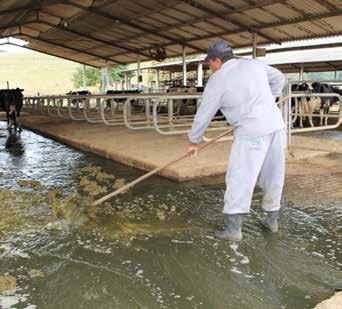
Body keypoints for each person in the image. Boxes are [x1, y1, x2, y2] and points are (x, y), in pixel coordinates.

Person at [187, 40, 286, 241]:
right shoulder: (254, 64)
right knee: (274, 175)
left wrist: (194, 141)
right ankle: (272, 222)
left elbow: (204, 113)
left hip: (251, 133)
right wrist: (270, 100)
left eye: (209, 63)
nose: (209, 67)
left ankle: (233, 231)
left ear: (217, 60)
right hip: (276, 126)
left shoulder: (218, 79)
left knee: (240, 177)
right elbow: (279, 78)